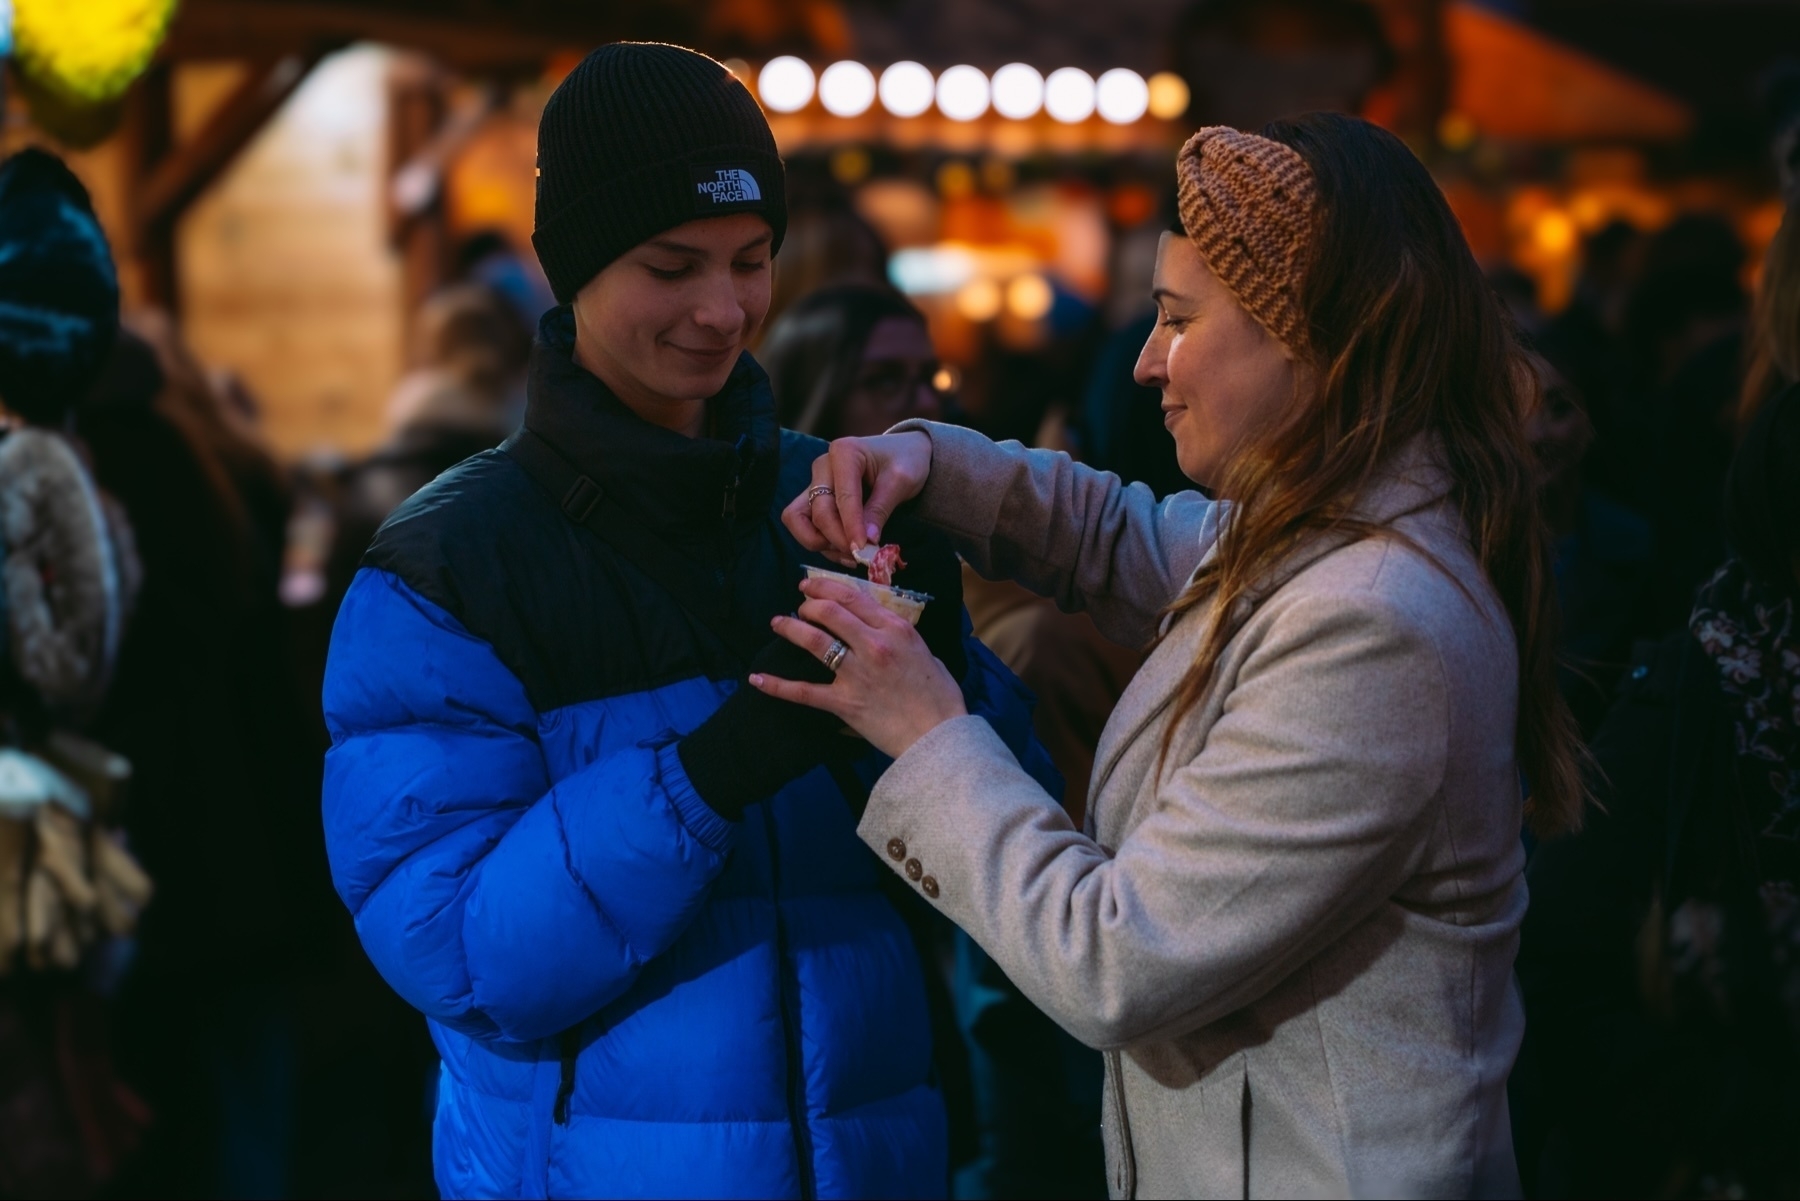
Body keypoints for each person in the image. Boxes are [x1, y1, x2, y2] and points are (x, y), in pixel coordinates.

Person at [767, 114, 1585, 1196]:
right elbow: (1118, 536)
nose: (1149, 362)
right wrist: (923, 463)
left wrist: (927, 732)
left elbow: (1117, 958)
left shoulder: (1376, 623)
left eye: (1179, 319)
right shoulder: (1324, 532)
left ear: (1309, 337)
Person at [321, 43, 1053, 1199]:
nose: (724, 310)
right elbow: (455, 952)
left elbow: (1016, 871)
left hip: (876, 1156)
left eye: (751, 261)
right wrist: (712, 772)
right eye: (672, 266)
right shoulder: (453, 561)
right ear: (574, 269)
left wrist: (942, 685)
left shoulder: (835, 498)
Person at [1513, 381, 1800, 1197]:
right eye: (1521, 410)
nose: (1544, 434)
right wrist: (1759, 1122)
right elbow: (1564, 969)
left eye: (1564, 406)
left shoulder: (1630, 547)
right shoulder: (1698, 690)